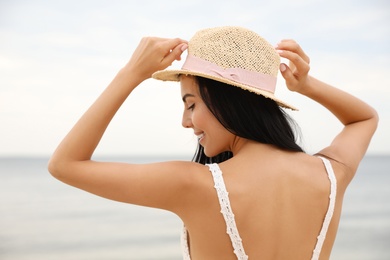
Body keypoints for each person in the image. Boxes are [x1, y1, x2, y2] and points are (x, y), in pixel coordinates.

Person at [48, 26, 378, 259]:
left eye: (191, 104)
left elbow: (65, 165)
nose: (185, 121)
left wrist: (131, 73)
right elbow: (365, 118)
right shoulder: (331, 174)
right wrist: (306, 85)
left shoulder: (194, 184)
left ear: (225, 101)